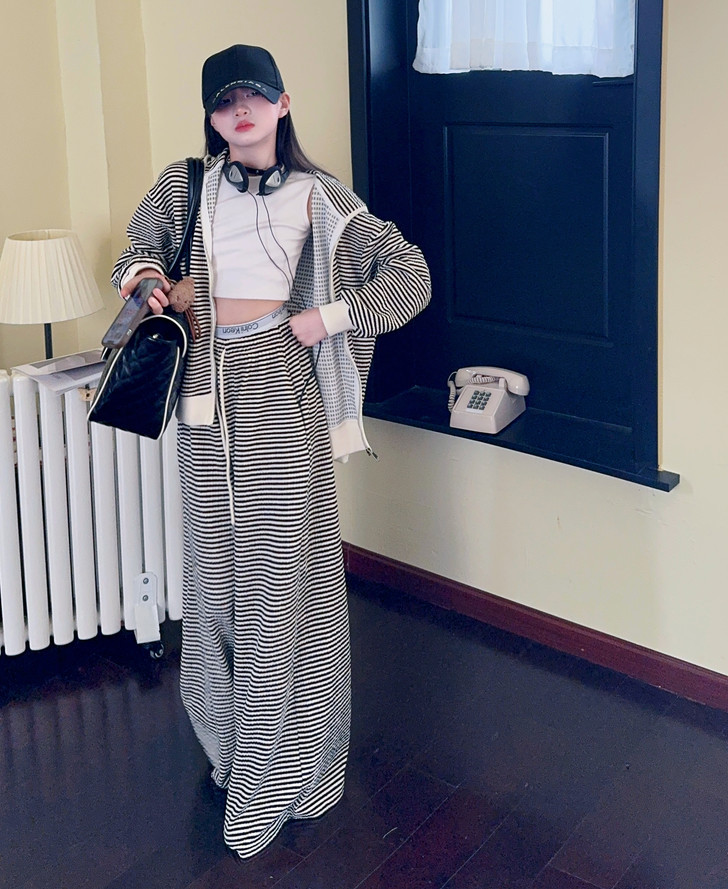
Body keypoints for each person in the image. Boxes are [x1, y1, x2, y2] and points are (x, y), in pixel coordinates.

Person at [111, 43, 430, 858]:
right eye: (224, 102)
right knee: (215, 586)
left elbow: (409, 277)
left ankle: (275, 778)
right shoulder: (185, 184)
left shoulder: (322, 196)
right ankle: (231, 754)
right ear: (212, 116)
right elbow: (134, 254)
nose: (240, 111)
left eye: (254, 96)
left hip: (280, 387)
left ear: (283, 103)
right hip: (201, 399)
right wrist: (150, 281)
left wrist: (325, 318)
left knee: (280, 590)